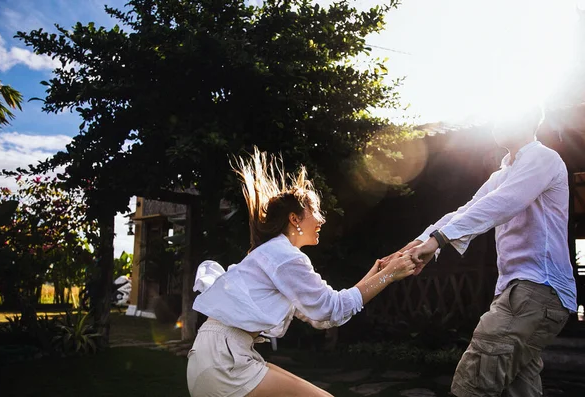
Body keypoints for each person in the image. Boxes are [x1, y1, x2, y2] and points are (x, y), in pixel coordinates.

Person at [186, 148, 416, 397]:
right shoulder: (285, 257)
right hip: (224, 362)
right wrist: (388, 276)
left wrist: (376, 274)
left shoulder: (275, 254)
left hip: (220, 354)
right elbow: (332, 308)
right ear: (295, 218)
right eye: (316, 211)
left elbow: (322, 317)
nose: (322, 220)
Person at [402, 107, 577, 397]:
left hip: (537, 289)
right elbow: (467, 210)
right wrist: (420, 242)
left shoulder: (543, 159)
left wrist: (439, 239)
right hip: (519, 292)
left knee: (471, 386)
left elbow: (504, 202)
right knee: (519, 389)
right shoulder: (503, 173)